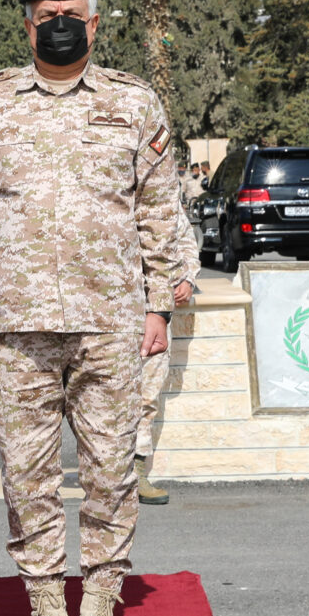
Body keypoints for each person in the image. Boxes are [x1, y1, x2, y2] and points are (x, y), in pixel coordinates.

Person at [0, 0, 178, 616]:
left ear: (97, 24)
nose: (61, 22)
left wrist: (159, 302)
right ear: (28, 24)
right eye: (47, 12)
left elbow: (160, 208)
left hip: (110, 318)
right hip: (17, 323)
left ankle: (100, 615)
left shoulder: (135, 103)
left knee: (110, 472)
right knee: (26, 474)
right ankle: (48, 614)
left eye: (73, 12)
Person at [132, 178, 197, 505]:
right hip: (107, 312)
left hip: (154, 313)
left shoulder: (162, 196)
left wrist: (187, 277)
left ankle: (137, 473)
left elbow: (185, 241)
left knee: (146, 395)